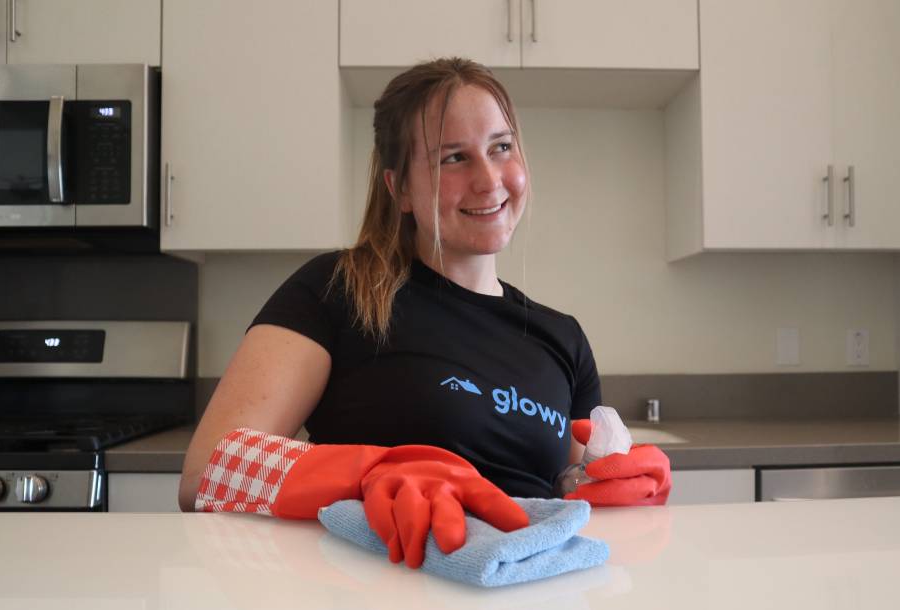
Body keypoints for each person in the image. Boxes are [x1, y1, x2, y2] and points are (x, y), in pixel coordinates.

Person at [178, 58, 670, 567]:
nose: (488, 179)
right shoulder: (337, 289)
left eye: (501, 147)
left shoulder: (561, 336)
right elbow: (206, 473)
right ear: (401, 189)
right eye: (453, 158)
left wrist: (615, 484)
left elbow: (569, 491)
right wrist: (371, 472)